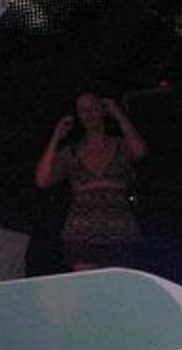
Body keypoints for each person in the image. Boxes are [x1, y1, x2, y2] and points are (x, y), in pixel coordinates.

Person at [35, 94, 147, 271]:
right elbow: (42, 180)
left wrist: (119, 115)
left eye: (94, 108)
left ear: (103, 110)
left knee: (118, 284)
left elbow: (139, 151)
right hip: (81, 231)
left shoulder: (119, 145)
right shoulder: (71, 152)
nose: (89, 114)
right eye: (83, 110)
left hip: (119, 228)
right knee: (88, 284)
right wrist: (56, 137)